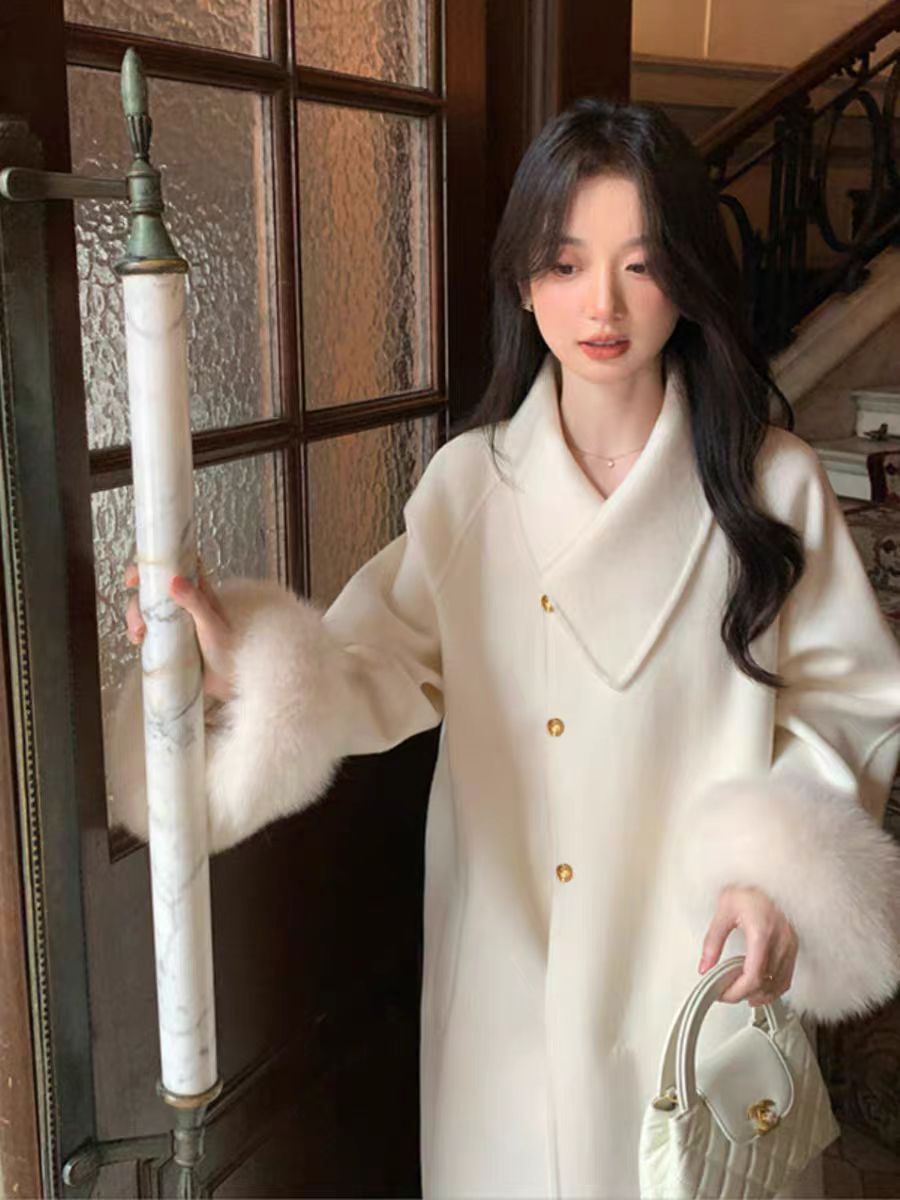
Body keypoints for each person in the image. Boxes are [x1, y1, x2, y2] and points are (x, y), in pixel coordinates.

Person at [111, 97, 900, 1199]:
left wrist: (779, 878)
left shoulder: (771, 484)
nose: (602, 304)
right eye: (566, 264)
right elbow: (366, 666)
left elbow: (848, 701)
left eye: (641, 263)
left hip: (695, 958)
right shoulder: (471, 487)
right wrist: (231, 653)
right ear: (524, 281)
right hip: (506, 966)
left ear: (688, 276)